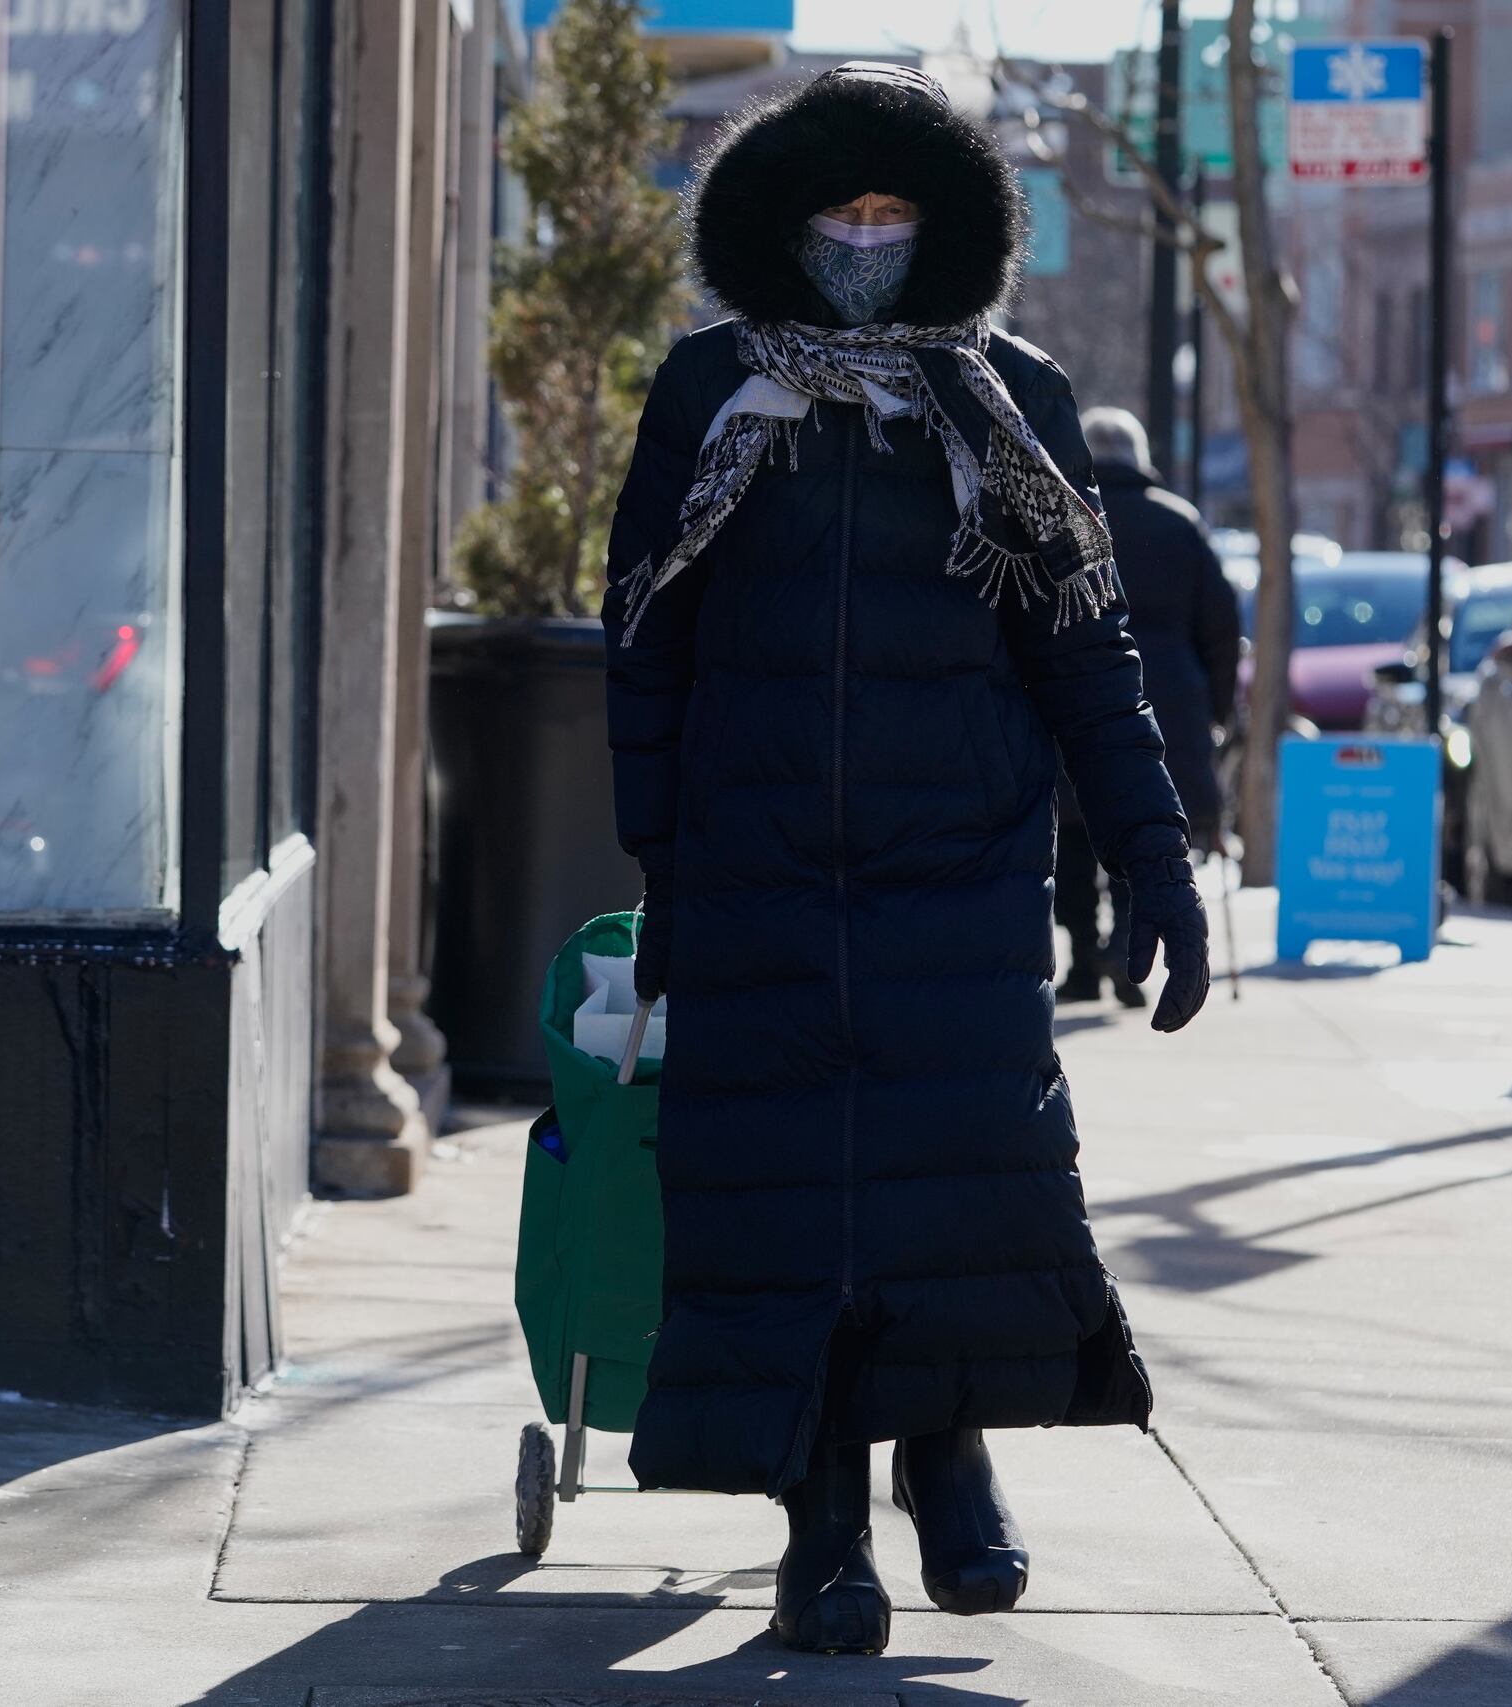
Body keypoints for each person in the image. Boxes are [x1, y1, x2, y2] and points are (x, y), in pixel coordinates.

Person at [600, 63, 1212, 1658]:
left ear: (943, 226)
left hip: (962, 868)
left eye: (895, 212)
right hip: (762, 868)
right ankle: (820, 1521)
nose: (867, 239)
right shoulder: (712, 392)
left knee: (961, 1181)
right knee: (790, 1201)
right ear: (783, 223)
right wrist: (662, 862)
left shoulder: (1011, 398)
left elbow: (1090, 653)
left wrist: (1155, 863)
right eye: (840, 211)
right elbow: (647, 641)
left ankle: (953, 1453)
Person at [1054, 408, 1239, 1005]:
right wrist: (1215, 709)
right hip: (1167, 705)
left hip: (1071, 699)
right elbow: (1221, 628)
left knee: (1074, 837)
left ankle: (1084, 959)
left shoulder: (1059, 515)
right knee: (1143, 829)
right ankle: (1127, 952)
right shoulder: (1179, 524)